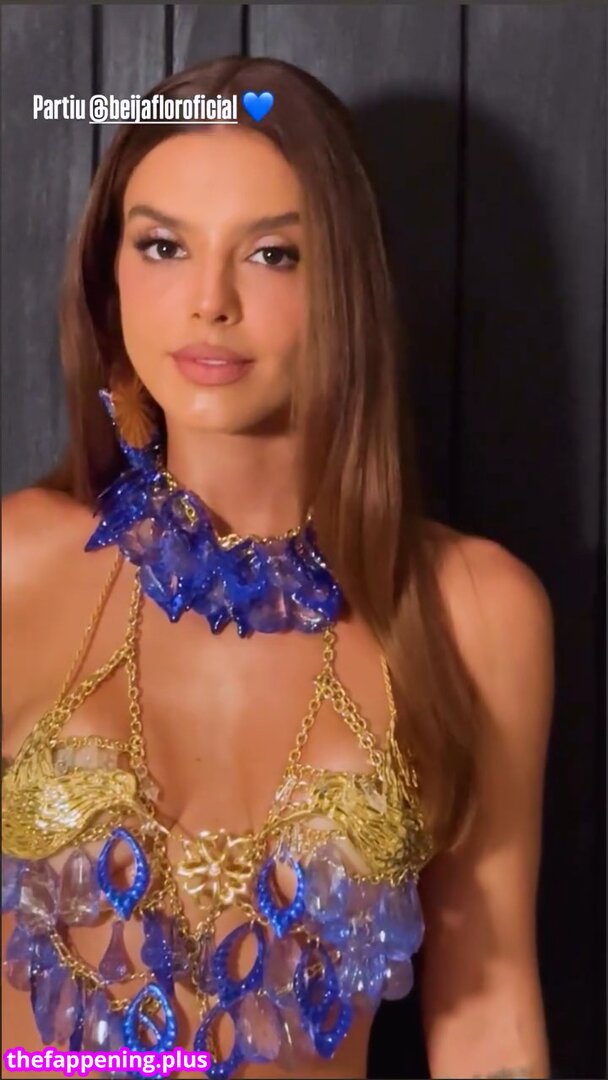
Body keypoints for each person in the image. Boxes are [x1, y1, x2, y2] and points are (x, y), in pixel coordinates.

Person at [1, 55, 554, 1080]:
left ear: (346, 285)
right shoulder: (18, 568)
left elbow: (487, 1021)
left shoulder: (478, 611)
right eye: (163, 246)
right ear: (108, 277)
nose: (208, 301)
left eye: (270, 255)